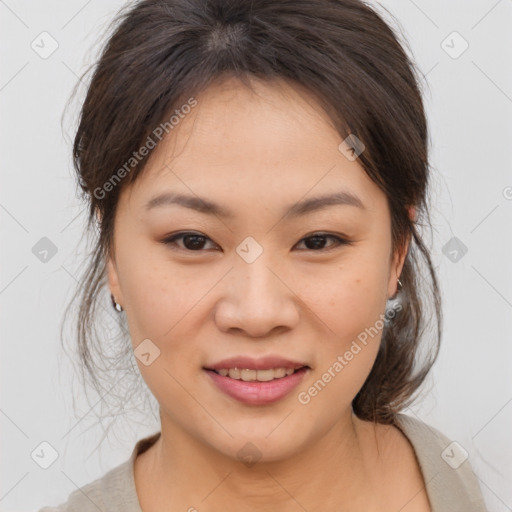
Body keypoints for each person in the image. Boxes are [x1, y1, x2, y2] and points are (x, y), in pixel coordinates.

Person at [39, 0, 489, 510]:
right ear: (113, 257)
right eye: (193, 240)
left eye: (318, 241)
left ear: (396, 253)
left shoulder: (453, 480)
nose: (257, 313)